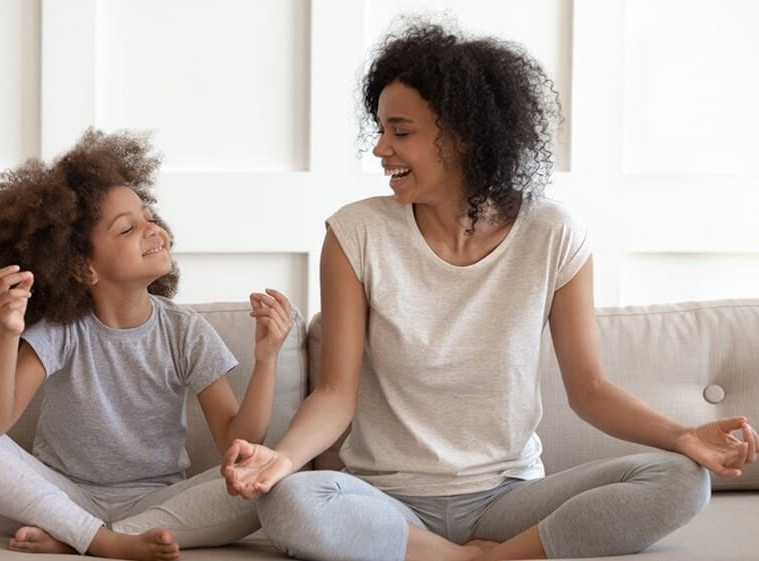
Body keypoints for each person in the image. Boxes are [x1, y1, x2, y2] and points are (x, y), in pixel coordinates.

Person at [222, 20, 759, 561]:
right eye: (381, 129)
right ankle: (459, 556)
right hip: (388, 500)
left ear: (465, 135)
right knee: (286, 498)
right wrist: (282, 460)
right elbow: (336, 394)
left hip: (510, 498)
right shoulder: (355, 234)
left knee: (682, 479)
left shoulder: (554, 234)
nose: (381, 149)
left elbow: (590, 388)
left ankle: (494, 554)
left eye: (400, 131)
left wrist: (683, 435)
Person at [0, 128, 294, 561]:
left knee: (269, 477)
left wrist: (267, 358)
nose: (150, 228)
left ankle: (81, 538)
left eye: (147, 215)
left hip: (156, 503)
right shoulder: (62, 330)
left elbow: (237, 445)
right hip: (58, 495)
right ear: (84, 268)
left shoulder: (186, 330)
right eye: (127, 229)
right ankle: (104, 540)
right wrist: (10, 330)